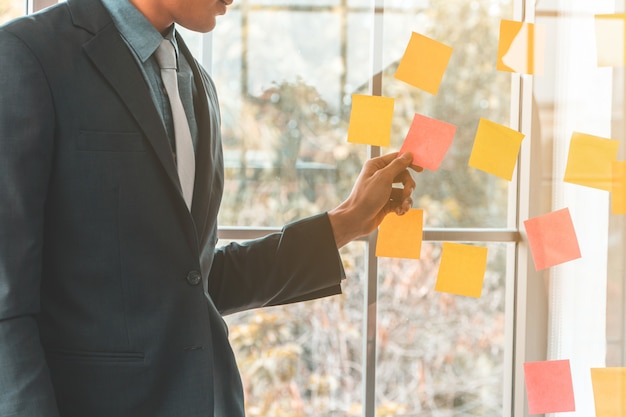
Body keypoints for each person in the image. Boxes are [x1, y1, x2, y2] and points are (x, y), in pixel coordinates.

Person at [0, 0, 418, 415]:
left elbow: (191, 280)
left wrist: (344, 222)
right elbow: (7, 304)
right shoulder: (28, 55)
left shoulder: (195, 82)